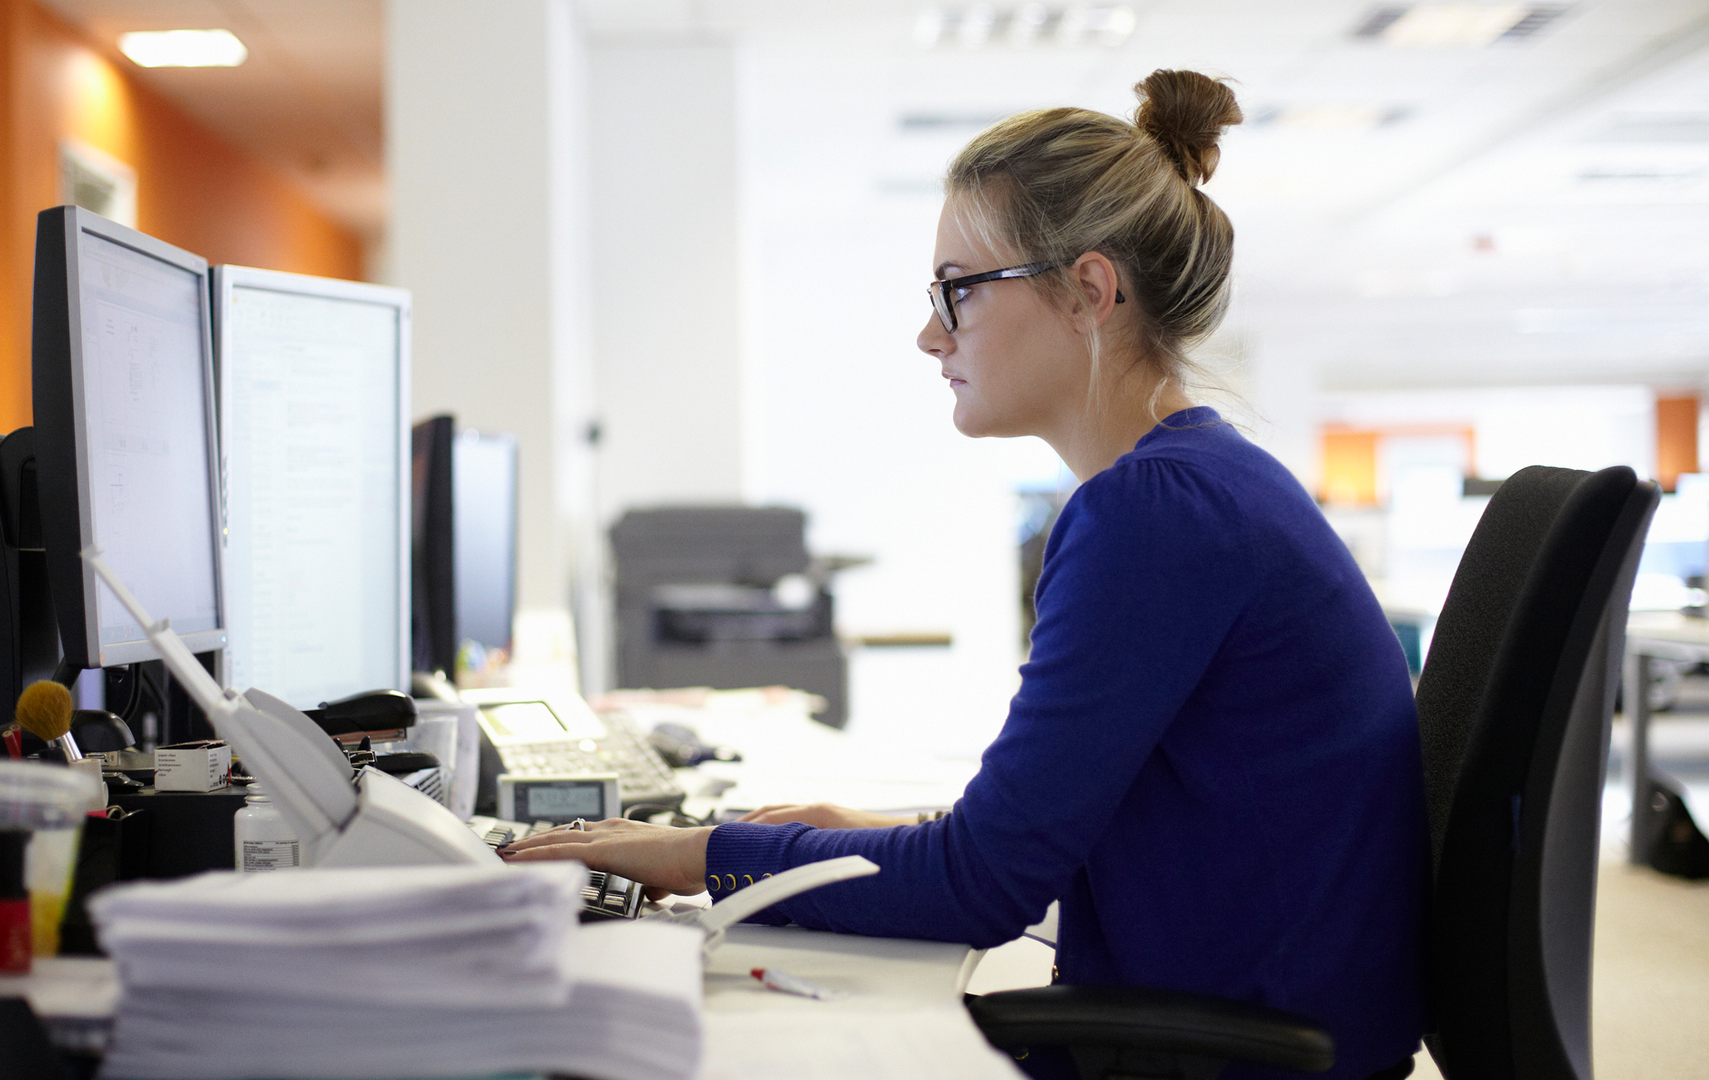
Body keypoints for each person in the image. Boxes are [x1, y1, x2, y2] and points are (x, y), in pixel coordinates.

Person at [504, 69, 1427, 1080]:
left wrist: (698, 853)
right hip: (1260, 1016)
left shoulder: (1154, 513)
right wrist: (879, 833)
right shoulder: (1202, 484)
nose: (931, 334)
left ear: (1087, 290)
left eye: (958, 290)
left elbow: (978, 889)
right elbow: (1054, 830)